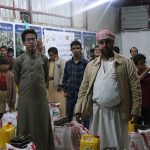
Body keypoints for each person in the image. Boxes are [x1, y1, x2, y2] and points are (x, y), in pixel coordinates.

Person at [75, 29, 142, 149]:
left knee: (119, 144)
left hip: (118, 112)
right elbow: (84, 89)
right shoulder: (91, 65)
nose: (104, 45)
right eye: (101, 42)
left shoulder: (126, 63)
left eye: (108, 42)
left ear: (113, 42)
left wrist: (135, 110)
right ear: (98, 44)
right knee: (97, 144)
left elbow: (136, 88)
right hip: (97, 112)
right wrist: (78, 108)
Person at [14, 29, 55, 150]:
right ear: (24, 42)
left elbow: (46, 78)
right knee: (25, 124)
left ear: (36, 41)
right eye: (28, 40)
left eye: (33, 39)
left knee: (42, 123)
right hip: (25, 99)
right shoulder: (19, 60)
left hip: (41, 98)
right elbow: (17, 79)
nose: (31, 42)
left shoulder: (44, 58)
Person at [63, 40, 88, 122]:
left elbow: (88, 80)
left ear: (81, 49)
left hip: (82, 95)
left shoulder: (86, 63)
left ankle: (83, 133)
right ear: (71, 50)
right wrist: (65, 91)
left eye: (78, 48)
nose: (76, 50)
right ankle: (71, 133)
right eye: (73, 48)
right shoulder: (68, 63)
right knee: (69, 116)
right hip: (70, 94)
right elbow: (65, 78)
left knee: (82, 116)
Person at [48, 47, 66, 117]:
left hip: (58, 85)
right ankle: (52, 118)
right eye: (49, 55)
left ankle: (62, 118)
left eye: (51, 55)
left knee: (60, 103)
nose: (50, 56)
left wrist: (60, 84)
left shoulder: (61, 61)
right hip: (49, 85)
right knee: (51, 102)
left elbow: (63, 73)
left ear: (56, 54)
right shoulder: (48, 61)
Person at [133, 53, 150, 125]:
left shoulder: (148, 74)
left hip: (148, 105)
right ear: (136, 65)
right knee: (138, 126)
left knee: (148, 126)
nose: (144, 64)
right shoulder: (134, 74)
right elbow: (138, 79)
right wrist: (147, 70)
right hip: (139, 106)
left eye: (144, 62)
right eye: (141, 63)